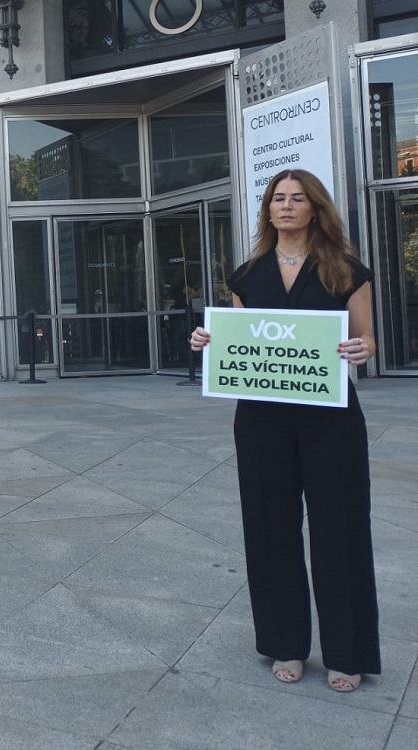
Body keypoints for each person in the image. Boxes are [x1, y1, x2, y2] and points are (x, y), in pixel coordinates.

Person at [190, 169, 379, 693]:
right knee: (270, 527)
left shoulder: (346, 271)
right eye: (279, 199)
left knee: (339, 528)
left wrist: (364, 350)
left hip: (330, 418)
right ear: (268, 211)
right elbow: (237, 341)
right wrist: (210, 339)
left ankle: (347, 650)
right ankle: (284, 643)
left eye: (298, 199)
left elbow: (366, 339)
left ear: (315, 208)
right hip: (262, 419)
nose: (287, 206)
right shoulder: (246, 276)